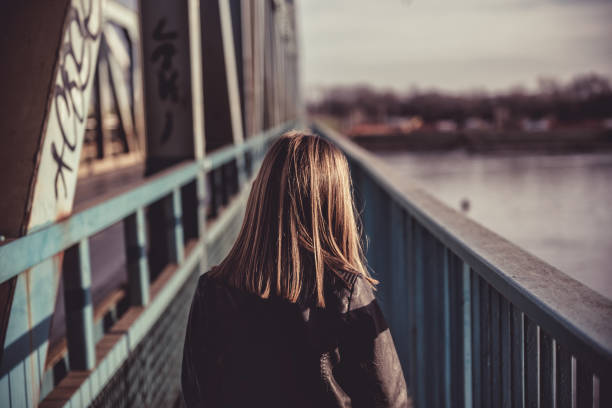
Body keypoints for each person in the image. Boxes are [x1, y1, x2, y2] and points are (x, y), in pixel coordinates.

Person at [181, 131, 408, 407]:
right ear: (335, 204)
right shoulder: (345, 293)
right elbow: (390, 401)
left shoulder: (212, 290)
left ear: (261, 195)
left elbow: (196, 394)